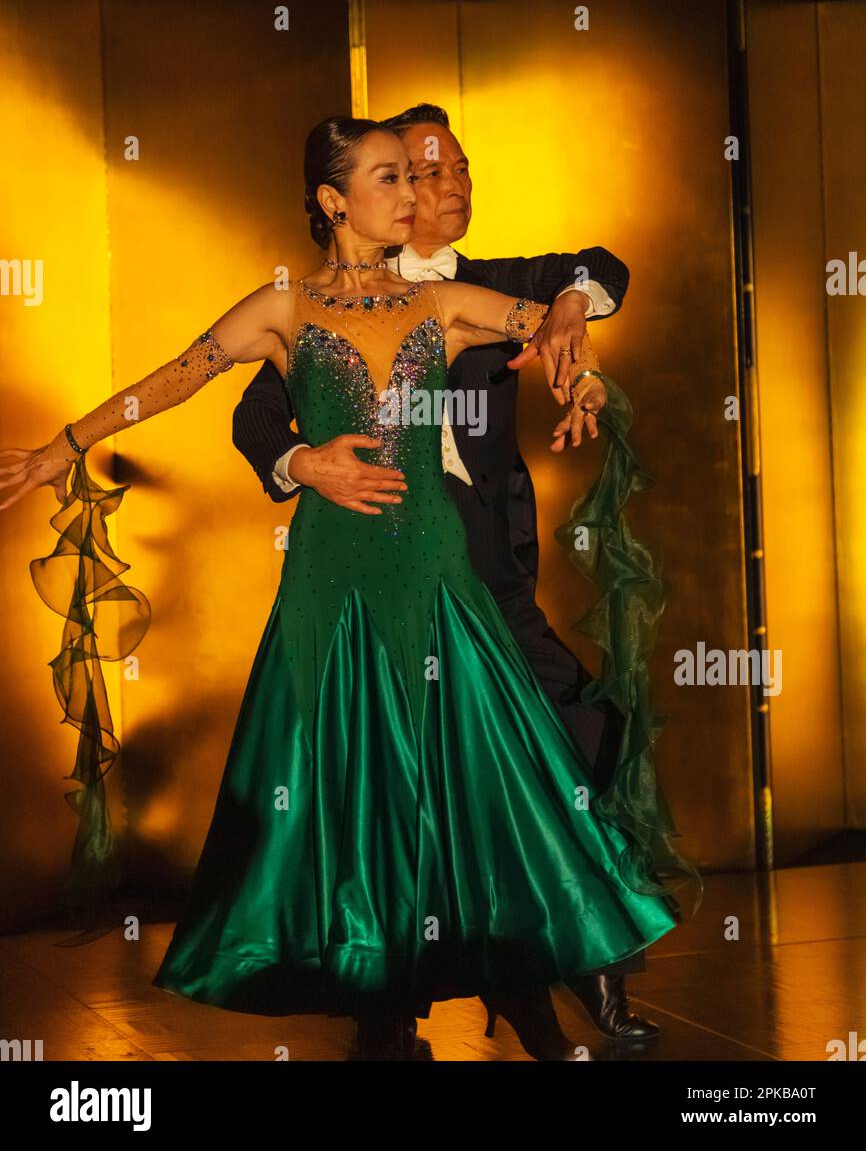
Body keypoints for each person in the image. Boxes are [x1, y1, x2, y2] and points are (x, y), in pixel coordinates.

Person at [0, 116, 679, 1062]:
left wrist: (584, 378)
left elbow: (563, 337)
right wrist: (57, 450)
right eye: (392, 178)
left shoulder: (445, 305)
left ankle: (526, 981)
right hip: (334, 580)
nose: (413, 195)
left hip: (439, 572)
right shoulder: (282, 309)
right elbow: (169, 382)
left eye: (416, 177)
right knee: (354, 792)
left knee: (485, 781)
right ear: (333, 200)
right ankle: (380, 1004)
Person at [232, 103, 656, 1040]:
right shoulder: (323, 306)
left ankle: (575, 953)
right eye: (422, 169)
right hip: (382, 563)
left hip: (483, 563)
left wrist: (572, 320)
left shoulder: (491, 286)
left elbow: (600, 271)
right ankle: (396, 995)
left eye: (459, 166)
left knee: (568, 734)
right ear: (366, 194)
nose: (450, 183)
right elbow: (256, 418)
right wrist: (304, 463)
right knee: (393, 771)